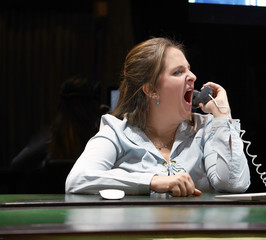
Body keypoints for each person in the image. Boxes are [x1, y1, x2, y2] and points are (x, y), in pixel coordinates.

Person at [65, 37, 250, 197]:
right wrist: (153, 181)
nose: (192, 76)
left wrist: (223, 116)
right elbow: (77, 179)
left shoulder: (207, 128)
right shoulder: (116, 132)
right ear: (152, 90)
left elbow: (233, 184)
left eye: (189, 69)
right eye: (178, 72)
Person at [11, 76, 105, 193]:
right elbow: (17, 164)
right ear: (77, 105)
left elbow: (16, 163)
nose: (96, 107)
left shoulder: (52, 137)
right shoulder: (52, 139)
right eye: (92, 102)